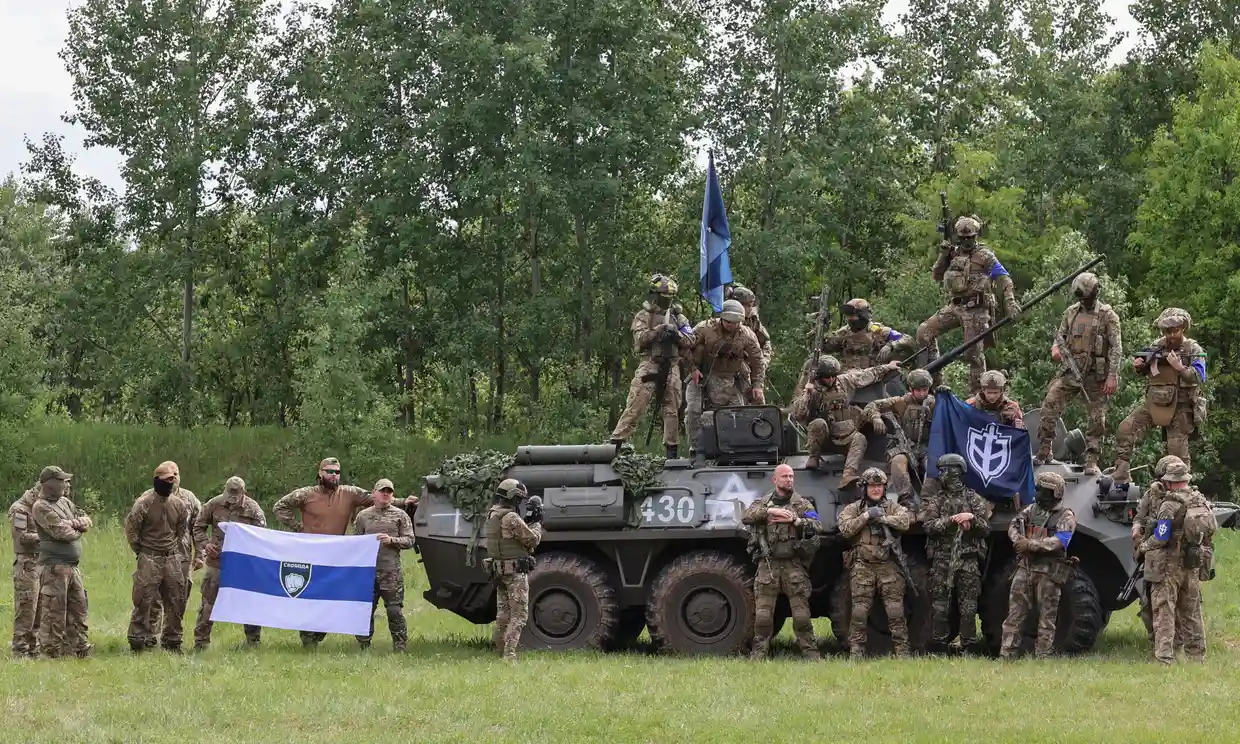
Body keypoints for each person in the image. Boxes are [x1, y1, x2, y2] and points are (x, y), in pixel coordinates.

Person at [273, 457, 413, 647]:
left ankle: (319, 633)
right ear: (320, 473)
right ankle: (308, 639)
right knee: (310, 597)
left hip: (336, 556)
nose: (333, 475)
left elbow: (378, 497)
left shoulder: (349, 493)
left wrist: (404, 502)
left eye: (337, 472)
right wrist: (299, 528)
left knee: (333, 599)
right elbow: (279, 507)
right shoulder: (305, 494)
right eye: (329, 471)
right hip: (310, 554)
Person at [1034, 272, 1122, 475]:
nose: (1084, 301)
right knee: (1050, 404)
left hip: (1094, 374)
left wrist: (1112, 375)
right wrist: (1056, 348)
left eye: (1087, 297)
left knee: (1096, 418)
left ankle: (1092, 459)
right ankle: (1045, 448)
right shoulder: (1071, 312)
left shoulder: (1108, 315)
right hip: (1070, 370)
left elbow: (1116, 348)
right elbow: (1060, 337)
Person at [917, 215, 1019, 391]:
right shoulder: (953, 253)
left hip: (976, 309)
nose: (966, 241)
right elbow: (936, 276)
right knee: (924, 332)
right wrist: (943, 255)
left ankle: (978, 395)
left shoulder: (985, 256)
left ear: (976, 235)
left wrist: (1010, 300)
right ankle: (934, 383)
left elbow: (1004, 278)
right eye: (963, 238)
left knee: (973, 354)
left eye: (970, 237)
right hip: (955, 306)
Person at [1111, 308, 1207, 484]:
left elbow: (1200, 376)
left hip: (1180, 407)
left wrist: (1180, 368)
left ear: (1183, 329)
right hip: (1154, 403)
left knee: (1176, 455)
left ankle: (1180, 491)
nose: (1171, 335)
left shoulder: (1192, 349)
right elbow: (1145, 364)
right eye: (1167, 332)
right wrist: (1140, 365)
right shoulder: (1157, 346)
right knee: (1125, 430)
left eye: (1175, 331)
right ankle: (1121, 475)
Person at [1136, 460, 1214, 664]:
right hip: (1193, 563)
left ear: (1170, 482)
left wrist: (1144, 547)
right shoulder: (1199, 499)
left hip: (1169, 565)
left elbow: (1161, 536)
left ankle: (1164, 658)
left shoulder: (1169, 505)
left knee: (1165, 610)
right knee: (1192, 612)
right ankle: (1197, 657)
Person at [609, 273, 695, 458]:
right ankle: (615, 445)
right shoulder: (644, 315)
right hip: (650, 364)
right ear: (655, 294)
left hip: (672, 365)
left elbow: (691, 339)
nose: (667, 300)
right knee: (636, 405)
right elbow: (640, 338)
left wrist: (676, 336)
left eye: (670, 296)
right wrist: (658, 332)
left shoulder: (678, 317)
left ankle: (671, 450)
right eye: (664, 295)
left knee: (672, 408)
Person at [742, 464, 822, 660]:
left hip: (793, 566)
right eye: (785, 476)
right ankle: (758, 655)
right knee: (762, 617)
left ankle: (811, 654)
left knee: (802, 616)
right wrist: (771, 512)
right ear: (775, 480)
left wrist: (797, 521)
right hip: (768, 566)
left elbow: (818, 524)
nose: (789, 479)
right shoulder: (762, 503)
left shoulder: (801, 504)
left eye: (791, 476)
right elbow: (746, 516)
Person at [790, 356, 900, 487]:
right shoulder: (809, 390)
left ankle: (848, 476)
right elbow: (797, 415)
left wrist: (888, 366)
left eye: (833, 376)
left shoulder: (843, 381)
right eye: (827, 377)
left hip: (844, 434)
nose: (831, 380)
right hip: (823, 438)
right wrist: (808, 395)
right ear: (819, 376)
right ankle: (814, 457)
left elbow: (867, 375)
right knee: (818, 423)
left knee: (860, 438)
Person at [837, 468, 913, 658]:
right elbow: (845, 528)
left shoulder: (892, 507)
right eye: (872, 486)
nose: (876, 489)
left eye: (879, 486)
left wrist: (883, 518)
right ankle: (856, 653)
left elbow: (905, 521)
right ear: (864, 488)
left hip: (888, 565)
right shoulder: (854, 508)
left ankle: (903, 653)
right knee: (859, 612)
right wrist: (866, 516)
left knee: (895, 611)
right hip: (863, 565)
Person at [1000, 472, 1076, 659]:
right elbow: (1013, 527)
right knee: (1014, 615)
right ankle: (1007, 654)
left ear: (1055, 493)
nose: (1039, 493)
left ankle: (1043, 655)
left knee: (1047, 618)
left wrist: (1031, 545)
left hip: (1049, 572)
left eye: (1044, 490)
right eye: (1039, 489)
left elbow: (1060, 541)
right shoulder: (1030, 510)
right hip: (1025, 568)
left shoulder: (1065, 516)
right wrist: (1019, 541)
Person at [922, 454, 990, 651]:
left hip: (967, 560)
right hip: (942, 560)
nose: (941, 475)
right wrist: (951, 520)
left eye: (944, 471)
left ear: (954, 471)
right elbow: (929, 526)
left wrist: (972, 519)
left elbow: (986, 529)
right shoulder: (937, 501)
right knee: (939, 607)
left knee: (968, 607)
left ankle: (968, 645)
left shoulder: (973, 499)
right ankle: (939, 645)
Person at [124, 461, 194, 652]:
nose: (170, 483)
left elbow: (181, 532)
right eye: (166, 480)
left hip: (172, 559)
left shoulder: (180, 505)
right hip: (149, 557)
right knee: (143, 600)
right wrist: (142, 552)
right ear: (157, 480)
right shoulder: (144, 504)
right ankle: (137, 641)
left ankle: (172, 641)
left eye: (173, 479)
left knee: (176, 600)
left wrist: (174, 553)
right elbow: (132, 531)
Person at [192, 476, 266, 650]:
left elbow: (262, 536)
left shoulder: (253, 509)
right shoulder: (214, 504)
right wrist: (206, 544)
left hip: (243, 564)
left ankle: (253, 642)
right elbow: (198, 526)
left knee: (249, 602)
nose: (231, 500)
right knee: (208, 602)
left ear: (244, 493)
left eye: (236, 495)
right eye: (229, 494)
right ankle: (201, 642)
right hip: (217, 561)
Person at [684, 299, 767, 454]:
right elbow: (685, 347)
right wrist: (692, 369)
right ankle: (696, 449)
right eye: (729, 322)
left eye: (736, 322)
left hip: (730, 377)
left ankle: (733, 448)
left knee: (736, 413)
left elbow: (758, 361)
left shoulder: (747, 335)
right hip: (702, 375)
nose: (732, 325)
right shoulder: (705, 328)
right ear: (722, 318)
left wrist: (757, 385)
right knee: (693, 411)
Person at [30, 466, 92, 659]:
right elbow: (62, 533)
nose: (67, 484)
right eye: (63, 481)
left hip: (73, 567)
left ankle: (79, 648)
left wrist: (74, 524)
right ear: (50, 484)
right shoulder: (40, 506)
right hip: (54, 568)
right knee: (53, 612)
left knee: (79, 607)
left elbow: (87, 520)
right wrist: (76, 528)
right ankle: (51, 653)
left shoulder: (65, 502)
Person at [353, 478, 415, 652]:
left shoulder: (400, 515)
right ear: (374, 493)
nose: (386, 494)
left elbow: (410, 540)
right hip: (368, 572)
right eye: (382, 491)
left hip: (390, 572)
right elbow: (355, 542)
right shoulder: (363, 516)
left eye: (389, 491)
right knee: (366, 609)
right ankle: (363, 646)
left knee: (394, 610)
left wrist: (391, 540)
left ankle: (400, 647)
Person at [484, 479, 543, 661]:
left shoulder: (492, 514)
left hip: (499, 571)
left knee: (503, 614)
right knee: (519, 615)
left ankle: (500, 649)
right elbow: (532, 540)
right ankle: (509, 656)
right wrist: (536, 523)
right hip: (514, 573)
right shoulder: (511, 517)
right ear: (512, 497)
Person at [861, 368, 937, 507]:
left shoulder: (934, 403)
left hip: (927, 448)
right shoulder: (900, 402)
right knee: (898, 462)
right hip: (903, 447)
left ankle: (929, 500)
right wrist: (876, 418)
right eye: (918, 390)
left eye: (925, 390)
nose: (921, 394)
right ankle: (906, 499)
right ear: (910, 388)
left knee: (932, 465)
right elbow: (872, 405)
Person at [148, 461, 201, 649]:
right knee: (152, 598)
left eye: (177, 473)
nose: (175, 478)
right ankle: (149, 637)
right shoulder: (149, 498)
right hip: (154, 556)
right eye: (171, 475)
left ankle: (171, 639)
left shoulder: (189, 498)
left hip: (182, 556)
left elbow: (199, 526)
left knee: (178, 598)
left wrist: (200, 553)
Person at [1132, 455, 1184, 646]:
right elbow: (1139, 516)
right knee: (1148, 603)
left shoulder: (1185, 497)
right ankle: (1156, 639)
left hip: (1175, 556)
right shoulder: (1151, 494)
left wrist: (1145, 547)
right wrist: (1137, 531)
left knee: (1178, 604)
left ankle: (1178, 643)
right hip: (1154, 558)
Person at [9, 476, 42, 658]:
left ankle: (34, 647)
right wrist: (44, 536)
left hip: (41, 562)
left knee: (40, 609)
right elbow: (21, 537)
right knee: (26, 608)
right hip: (26, 564)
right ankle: (20, 650)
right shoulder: (20, 510)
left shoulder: (40, 508)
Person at [728, 285, 772, 391]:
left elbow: (766, 343)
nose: (749, 308)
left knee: (757, 401)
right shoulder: (725, 316)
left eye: (751, 305)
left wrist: (763, 361)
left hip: (750, 368)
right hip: (726, 369)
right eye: (746, 305)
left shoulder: (753, 320)